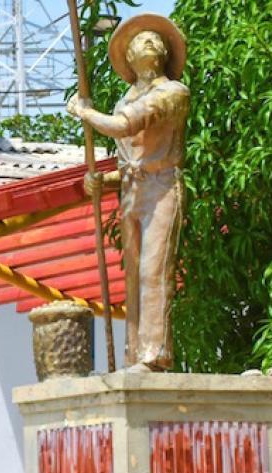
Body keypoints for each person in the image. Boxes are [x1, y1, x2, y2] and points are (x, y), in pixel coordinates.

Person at [67, 14, 188, 372]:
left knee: (154, 270)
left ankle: (155, 353)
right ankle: (135, 354)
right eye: (140, 40)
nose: (148, 42)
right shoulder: (125, 99)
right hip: (133, 192)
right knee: (133, 276)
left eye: (155, 39)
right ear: (129, 58)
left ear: (165, 53)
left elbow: (124, 125)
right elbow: (128, 161)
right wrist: (102, 181)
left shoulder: (172, 92)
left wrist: (86, 113)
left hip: (161, 187)